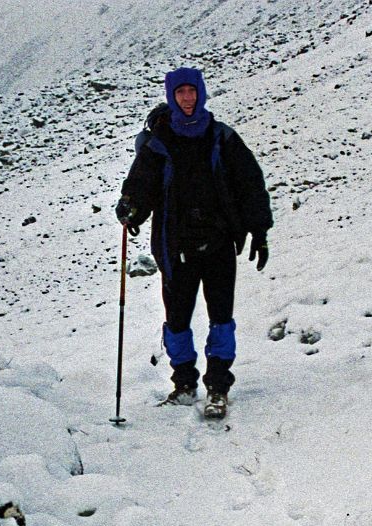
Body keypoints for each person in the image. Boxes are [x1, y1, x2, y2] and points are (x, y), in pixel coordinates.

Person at [115, 67, 273, 418]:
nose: (187, 99)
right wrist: (131, 208)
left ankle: (217, 386)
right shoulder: (158, 143)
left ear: (201, 94)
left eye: (192, 92)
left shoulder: (221, 137)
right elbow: (141, 186)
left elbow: (250, 183)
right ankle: (184, 383)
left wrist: (258, 230)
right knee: (177, 320)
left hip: (217, 244)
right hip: (175, 247)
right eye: (180, 93)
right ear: (172, 97)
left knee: (221, 317)